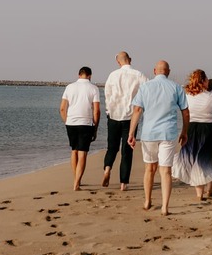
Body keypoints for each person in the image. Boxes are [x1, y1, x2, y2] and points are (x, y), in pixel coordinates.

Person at [127, 60, 189, 216]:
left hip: (149, 134)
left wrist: (131, 133)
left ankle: (147, 201)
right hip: (168, 133)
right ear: (168, 71)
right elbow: (185, 112)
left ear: (155, 71)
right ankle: (164, 207)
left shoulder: (145, 87)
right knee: (165, 171)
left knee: (149, 169)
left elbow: (137, 110)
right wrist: (184, 131)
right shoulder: (176, 87)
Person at [172, 69, 212, 201]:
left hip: (192, 129)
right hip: (211, 130)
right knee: (211, 159)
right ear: (202, 81)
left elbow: (184, 113)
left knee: (195, 159)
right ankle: (210, 191)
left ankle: (199, 194)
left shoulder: (187, 97)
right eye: (207, 80)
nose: (208, 82)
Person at [102, 52, 147, 191]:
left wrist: (109, 111)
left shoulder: (112, 75)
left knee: (112, 147)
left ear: (118, 62)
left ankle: (107, 168)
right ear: (130, 60)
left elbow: (107, 95)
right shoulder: (139, 75)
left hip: (114, 115)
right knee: (127, 150)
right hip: (131, 116)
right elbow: (147, 92)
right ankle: (123, 183)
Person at [59, 66, 100, 191]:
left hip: (71, 123)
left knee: (74, 150)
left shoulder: (69, 87)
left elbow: (62, 108)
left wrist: (67, 121)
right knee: (83, 153)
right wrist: (95, 127)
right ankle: (76, 183)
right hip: (85, 123)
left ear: (78, 75)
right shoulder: (94, 88)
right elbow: (97, 111)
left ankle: (77, 179)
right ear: (90, 75)